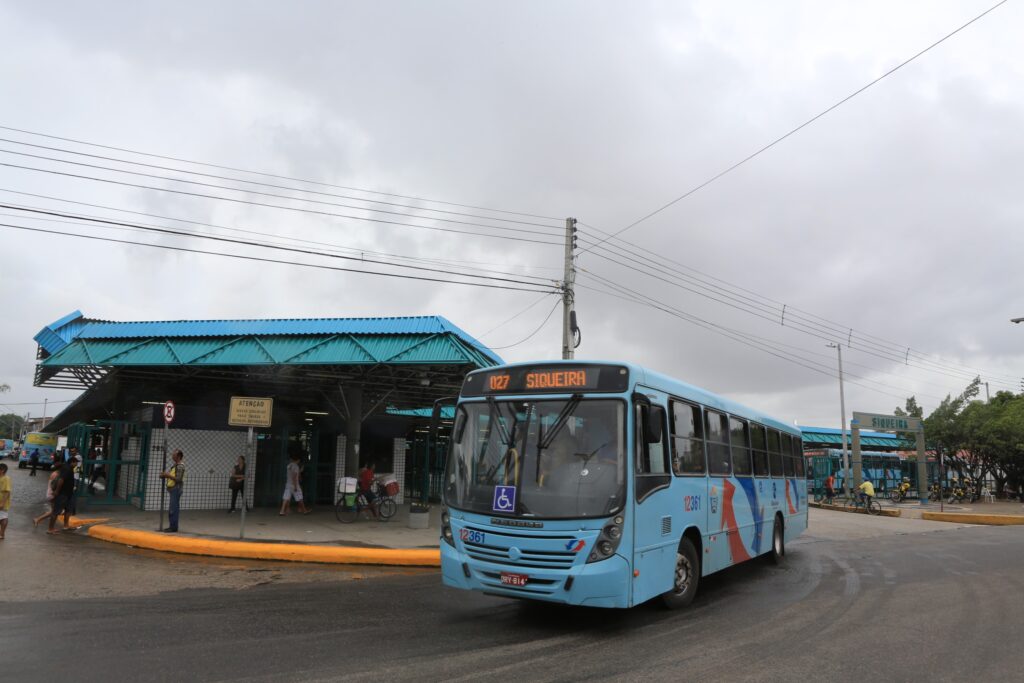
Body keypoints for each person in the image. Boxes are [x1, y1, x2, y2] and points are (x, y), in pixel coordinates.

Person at [48, 457, 76, 535]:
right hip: (63, 494)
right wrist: (57, 491)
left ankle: (66, 526)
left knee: (68, 510)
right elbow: (61, 480)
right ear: (72, 462)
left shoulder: (69, 468)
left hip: (69, 493)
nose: (76, 464)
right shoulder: (67, 469)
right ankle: (50, 529)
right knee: (56, 511)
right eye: (76, 462)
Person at [159, 449, 185, 532]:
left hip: (176, 489)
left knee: (173, 508)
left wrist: (167, 475)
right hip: (173, 489)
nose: (172, 456)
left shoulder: (180, 466)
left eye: (174, 455)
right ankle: (173, 526)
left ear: (179, 456)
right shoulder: (175, 466)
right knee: (173, 508)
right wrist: (165, 475)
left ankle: (173, 527)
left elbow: (178, 479)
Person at [34, 463, 60, 528]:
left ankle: (38, 519)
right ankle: (38, 519)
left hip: (50, 493)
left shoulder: (55, 473)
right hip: (52, 494)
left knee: (54, 511)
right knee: (54, 511)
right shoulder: (56, 474)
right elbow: (54, 485)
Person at [0, 463, 10, 540]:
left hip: (3, 502)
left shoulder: (6, 479)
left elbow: (7, 492)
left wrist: (2, 503)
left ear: (2, 470)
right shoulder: (1, 478)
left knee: (3, 517)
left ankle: (2, 533)